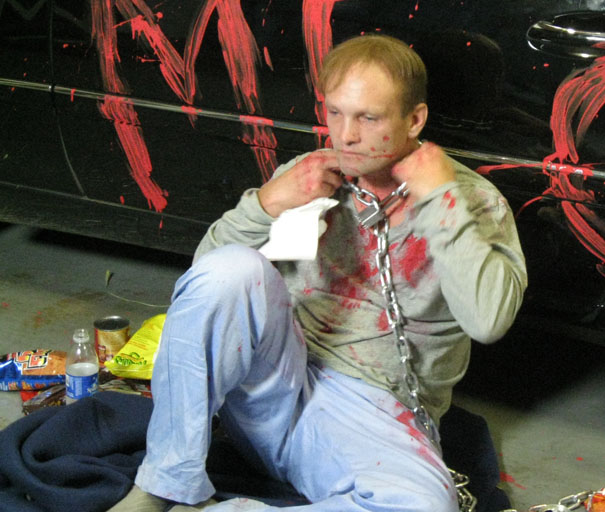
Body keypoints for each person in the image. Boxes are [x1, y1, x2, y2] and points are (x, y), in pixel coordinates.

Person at [109, 34, 527, 512]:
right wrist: (267, 203)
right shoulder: (311, 176)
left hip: (370, 421)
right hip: (272, 389)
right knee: (232, 269)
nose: (345, 135)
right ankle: (161, 485)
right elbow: (201, 288)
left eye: (368, 118)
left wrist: (441, 203)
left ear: (414, 119)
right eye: (335, 113)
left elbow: (489, 321)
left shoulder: (474, 202)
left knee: (425, 507)